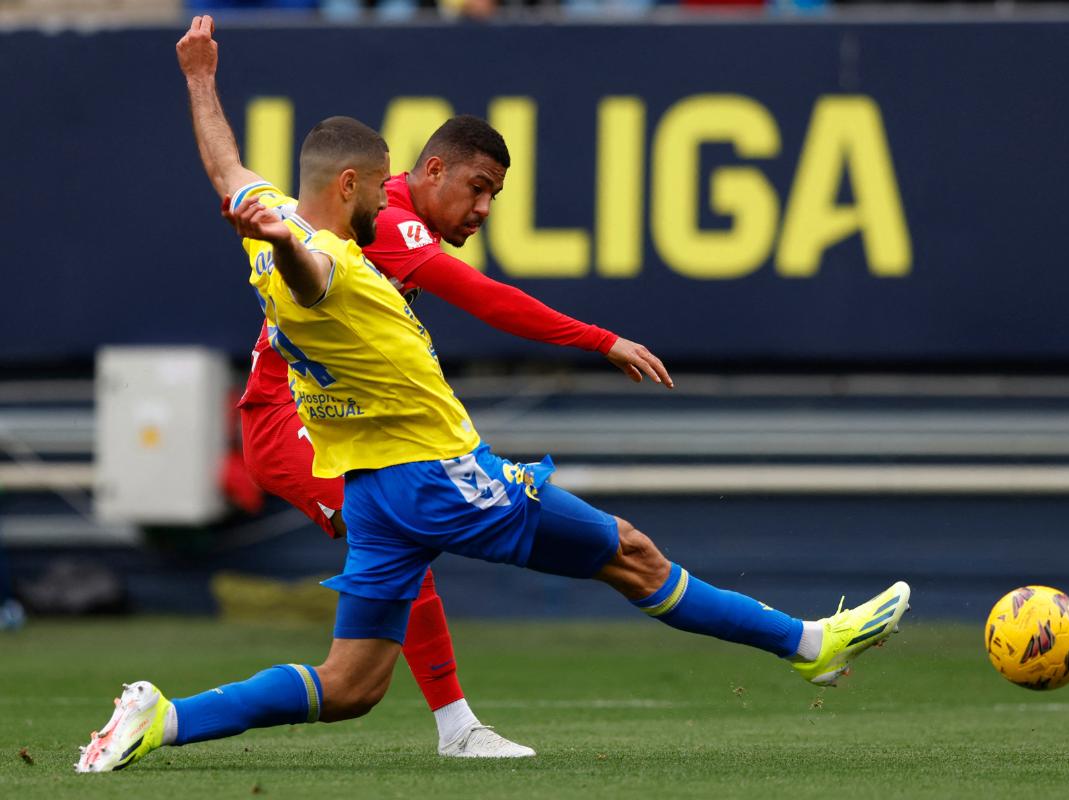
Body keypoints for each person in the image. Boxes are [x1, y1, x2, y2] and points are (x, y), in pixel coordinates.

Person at [75, 16, 909, 774]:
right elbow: (317, 270)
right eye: (383, 183)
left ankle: (165, 720)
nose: (391, 191)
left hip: (374, 491)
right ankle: (808, 644)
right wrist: (284, 245)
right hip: (437, 477)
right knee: (630, 552)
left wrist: (199, 79)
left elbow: (227, 166)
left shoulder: (274, 219)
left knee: (354, 683)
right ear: (353, 188)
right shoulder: (324, 259)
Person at [232, 100, 669, 764]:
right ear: (430, 171)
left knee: (380, 615)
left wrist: (201, 79)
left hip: (331, 417)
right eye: (479, 188)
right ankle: (456, 728)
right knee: (402, 544)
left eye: (494, 193)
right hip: (287, 422)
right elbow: (485, 297)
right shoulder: (389, 225)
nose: (485, 208)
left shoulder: (384, 212)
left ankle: (446, 724)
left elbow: (225, 168)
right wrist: (600, 339)